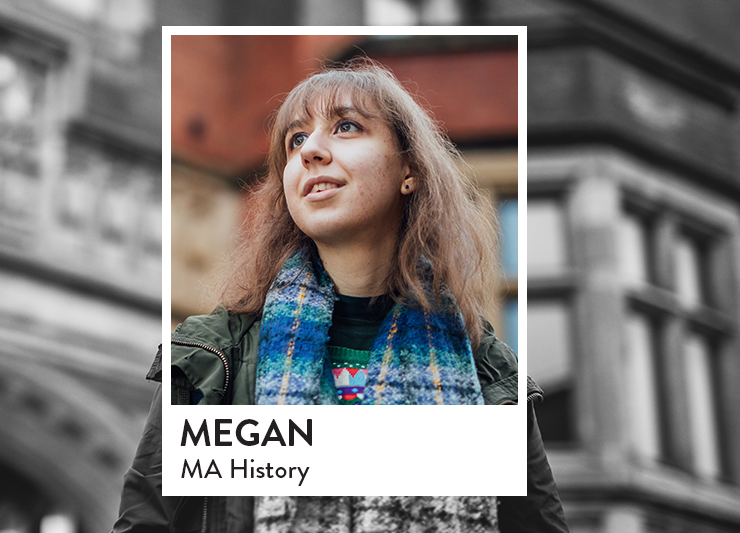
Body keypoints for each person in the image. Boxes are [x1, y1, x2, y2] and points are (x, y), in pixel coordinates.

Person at [113, 59, 568, 533]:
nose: (310, 150)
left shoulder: (488, 373)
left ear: (408, 169)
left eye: (346, 126)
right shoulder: (211, 359)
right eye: (295, 140)